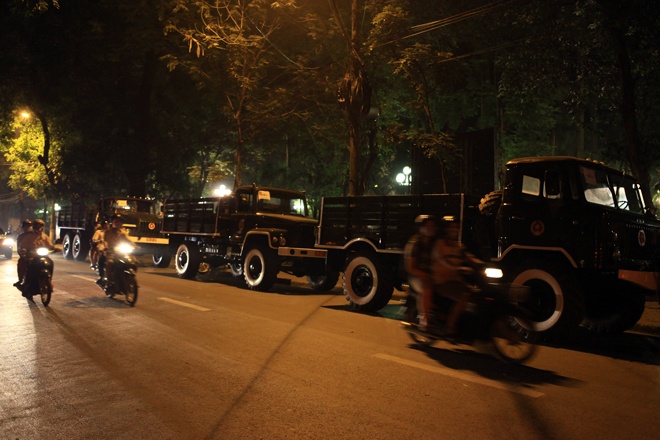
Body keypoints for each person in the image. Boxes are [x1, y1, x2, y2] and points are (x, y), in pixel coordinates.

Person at [432, 216, 481, 337]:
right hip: (442, 282)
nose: (454, 230)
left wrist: (482, 265)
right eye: (451, 227)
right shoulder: (439, 244)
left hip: (455, 281)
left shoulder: (456, 245)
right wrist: (457, 268)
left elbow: (468, 257)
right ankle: (450, 326)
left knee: (477, 294)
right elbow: (442, 260)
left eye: (456, 227)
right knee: (464, 296)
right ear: (445, 229)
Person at [404, 215, 439, 332]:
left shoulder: (434, 243)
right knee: (426, 287)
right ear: (420, 228)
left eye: (432, 226)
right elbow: (411, 268)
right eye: (427, 226)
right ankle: (424, 321)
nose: (430, 229)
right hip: (416, 277)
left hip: (432, 275)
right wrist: (426, 275)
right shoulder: (415, 244)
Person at [15, 219, 54, 295]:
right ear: (34, 226)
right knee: (23, 263)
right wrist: (23, 251)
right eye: (37, 226)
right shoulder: (28, 236)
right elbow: (23, 246)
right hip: (31, 256)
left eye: (40, 226)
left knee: (50, 263)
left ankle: (48, 281)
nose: (38, 228)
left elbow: (50, 245)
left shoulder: (44, 236)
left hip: (43, 256)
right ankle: (22, 281)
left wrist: (55, 248)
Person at [97, 214, 130, 286]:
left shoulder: (123, 232)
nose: (118, 223)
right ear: (112, 222)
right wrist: (106, 248)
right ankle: (109, 282)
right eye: (116, 221)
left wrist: (136, 246)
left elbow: (129, 240)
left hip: (121, 253)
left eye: (119, 222)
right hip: (111, 252)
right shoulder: (108, 232)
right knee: (110, 263)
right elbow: (105, 241)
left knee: (132, 261)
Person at [14, 219, 34, 289]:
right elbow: (19, 247)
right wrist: (22, 253)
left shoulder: (37, 235)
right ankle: (20, 280)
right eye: (26, 226)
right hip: (27, 254)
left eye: (29, 226)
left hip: (37, 254)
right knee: (21, 263)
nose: (28, 228)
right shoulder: (21, 237)